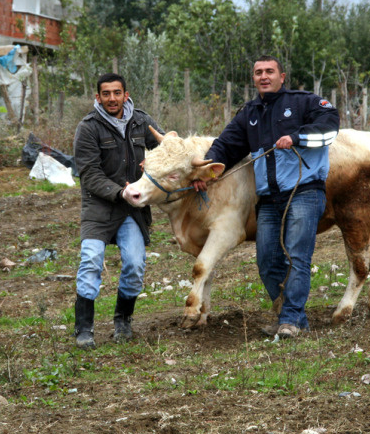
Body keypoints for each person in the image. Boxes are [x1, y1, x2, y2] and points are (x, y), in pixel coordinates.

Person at [194, 55, 339, 339]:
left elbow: (330, 125)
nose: (264, 76)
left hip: (304, 192)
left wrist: (297, 137)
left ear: (282, 77)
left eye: (269, 71)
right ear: (254, 78)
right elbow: (226, 145)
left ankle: (289, 320)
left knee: (297, 257)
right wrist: (205, 171)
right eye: (258, 72)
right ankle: (294, 316)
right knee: (267, 262)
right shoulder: (249, 113)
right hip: (269, 201)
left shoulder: (304, 102)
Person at [72, 73, 164, 349]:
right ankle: (84, 328)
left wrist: (157, 165)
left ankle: (123, 320)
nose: (112, 98)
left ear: (126, 95)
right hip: (99, 206)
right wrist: (119, 191)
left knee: (135, 265)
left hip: (132, 208)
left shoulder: (142, 121)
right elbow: (89, 173)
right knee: (91, 260)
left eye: (117, 93)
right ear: (97, 97)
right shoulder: (88, 127)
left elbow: (164, 151)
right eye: (106, 94)